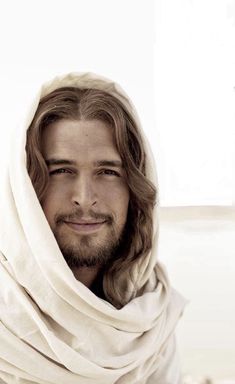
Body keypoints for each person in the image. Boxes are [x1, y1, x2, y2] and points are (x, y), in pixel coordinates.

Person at [0, 72, 186, 383]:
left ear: (135, 188)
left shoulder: (150, 318)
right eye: (61, 170)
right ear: (27, 188)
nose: (85, 199)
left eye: (108, 171)